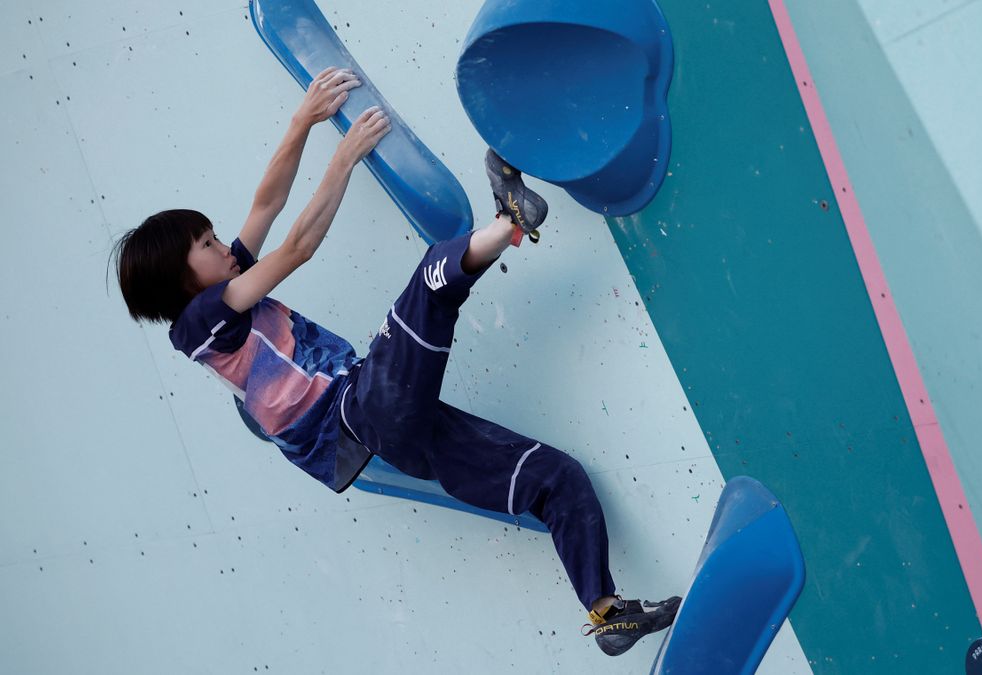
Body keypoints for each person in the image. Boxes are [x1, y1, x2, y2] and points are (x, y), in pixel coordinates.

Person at [111, 66, 679, 656]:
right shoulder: (202, 321)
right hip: (358, 414)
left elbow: (266, 202)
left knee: (556, 477)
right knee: (431, 280)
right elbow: (297, 247)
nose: (221, 245)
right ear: (182, 282)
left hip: (389, 432)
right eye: (205, 245)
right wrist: (344, 159)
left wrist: (301, 122)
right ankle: (509, 220)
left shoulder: (225, 285)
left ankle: (606, 612)